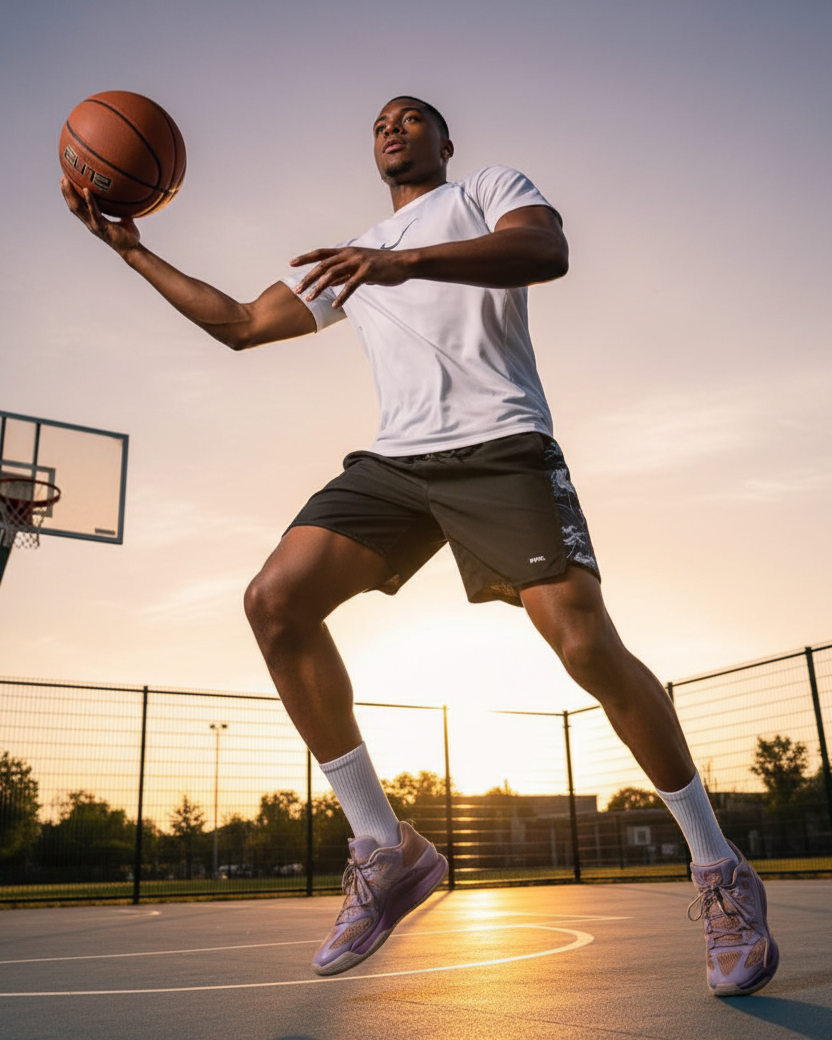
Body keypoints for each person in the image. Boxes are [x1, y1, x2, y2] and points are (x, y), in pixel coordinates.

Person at [61, 95, 778, 994]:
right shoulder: (351, 257)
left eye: (410, 117)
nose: (391, 128)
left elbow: (547, 251)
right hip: (398, 463)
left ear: (446, 141)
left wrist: (403, 263)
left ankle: (718, 867)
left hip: (502, 446)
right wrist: (129, 249)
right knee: (273, 600)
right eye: (377, 124)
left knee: (584, 644)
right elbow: (240, 323)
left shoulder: (485, 191)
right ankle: (382, 843)